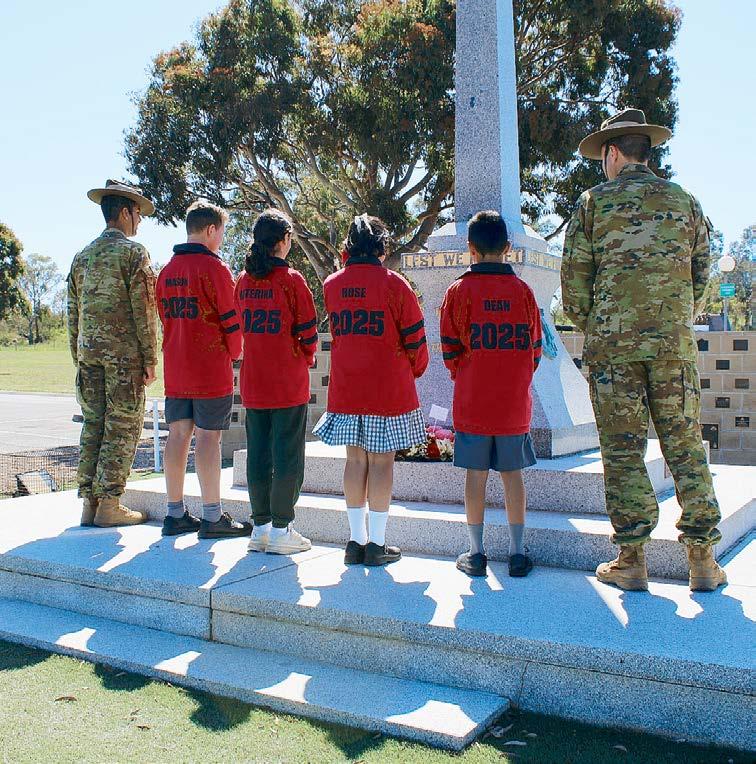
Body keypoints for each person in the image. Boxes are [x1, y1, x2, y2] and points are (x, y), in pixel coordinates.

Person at [561, 108, 725, 592]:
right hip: (673, 346)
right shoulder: (685, 202)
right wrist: (673, 318)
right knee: (685, 444)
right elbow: (702, 275)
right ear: (646, 154)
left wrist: (601, 328)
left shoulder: (593, 204)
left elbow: (574, 287)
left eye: (603, 156)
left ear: (612, 153)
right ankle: (702, 560)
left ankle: (631, 560)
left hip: (613, 350)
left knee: (623, 451)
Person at [314, 215, 429, 566]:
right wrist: (417, 369)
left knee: (354, 460)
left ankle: (355, 541)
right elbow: (415, 340)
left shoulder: (332, 285)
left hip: (347, 387)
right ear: (381, 246)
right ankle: (377, 544)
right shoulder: (395, 285)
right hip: (387, 388)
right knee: (381, 462)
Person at [440, 211, 542, 578]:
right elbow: (535, 349)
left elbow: (449, 348)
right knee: (513, 475)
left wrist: (468, 376)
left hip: (473, 402)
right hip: (513, 404)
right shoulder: (523, 292)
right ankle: (517, 553)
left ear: (470, 248)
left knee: (476, 475)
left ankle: (476, 552)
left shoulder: (458, 292)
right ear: (508, 248)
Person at [156, 200, 250, 539]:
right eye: (221, 232)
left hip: (176, 368)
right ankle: (212, 516)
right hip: (210, 369)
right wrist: (237, 353)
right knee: (209, 437)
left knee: (178, 435)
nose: (221, 239)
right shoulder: (215, 269)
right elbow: (231, 319)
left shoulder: (166, 271)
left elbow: (164, 318)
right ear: (210, 230)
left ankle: (175, 513)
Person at [68, 179, 158, 527]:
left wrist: (79, 356)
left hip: (88, 357)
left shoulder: (82, 256)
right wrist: (150, 358)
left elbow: (72, 314)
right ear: (124, 212)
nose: (140, 220)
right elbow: (144, 310)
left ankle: (89, 503)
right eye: (137, 213)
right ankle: (109, 504)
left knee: (93, 424)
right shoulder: (134, 254)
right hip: (123, 359)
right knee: (122, 426)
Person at [235, 209, 318, 554]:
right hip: (287, 383)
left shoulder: (243, 281)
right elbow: (309, 333)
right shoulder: (292, 280)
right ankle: (282, 529)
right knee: (288, 457)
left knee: (257, 455)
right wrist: (305, 357)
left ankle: (260, 528)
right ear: (284, 241)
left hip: (254, 381)